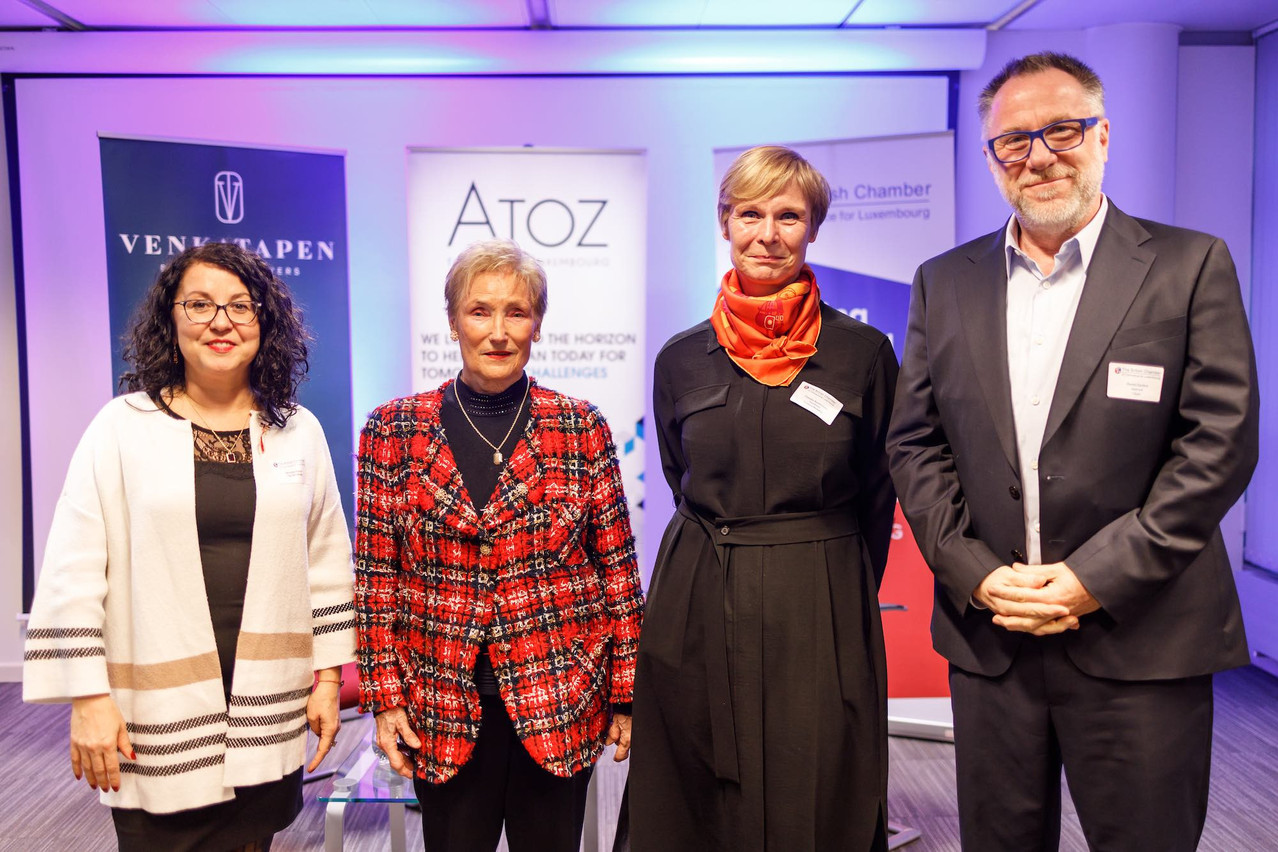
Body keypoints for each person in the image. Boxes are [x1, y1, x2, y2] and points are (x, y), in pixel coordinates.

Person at [887, 52, 1259, 851]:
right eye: (1013, 141)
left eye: (1062, 129)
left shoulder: (1188, 266)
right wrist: (976, 574)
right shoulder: (943, 282)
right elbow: (915, 443)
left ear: (1103, 135)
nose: (1040, 156)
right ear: (991, 158)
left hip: (1142, 635)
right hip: (995, 639)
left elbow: (1219, 444)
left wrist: (1094, 578)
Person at [23, 242, 357, 851]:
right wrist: (89, 698)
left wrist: (329, 681)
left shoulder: (298, 430)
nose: (221, 321)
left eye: (240, 306)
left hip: (265, 700)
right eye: (199, 304)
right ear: (170, 319)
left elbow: (327, 559)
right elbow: (72, 570)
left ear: (265, 322)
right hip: (155, 711)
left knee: (255, 840)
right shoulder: (122, 427)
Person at [628, 145, 899, 852]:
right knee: (695, 772)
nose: (768, 233)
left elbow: (878, 490)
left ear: (813, 229)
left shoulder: (863, 354)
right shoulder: (681, 358)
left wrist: (836, 582)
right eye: (750, 214)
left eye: (789, 215)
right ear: (725, 223)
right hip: (698, 586)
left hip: (821, 590)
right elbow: (676, 467)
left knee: (819, 772)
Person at [355, 238, 644, 852]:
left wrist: (627, 694)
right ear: (454, 321)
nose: (498, 331)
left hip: (561, 692)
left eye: (517, 311)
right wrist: (384, 700)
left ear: (537, 324)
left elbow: (618, 571)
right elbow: (377, 579)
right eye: (480, 311)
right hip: (441, 698)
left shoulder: (579, 425)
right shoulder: (392, 429)